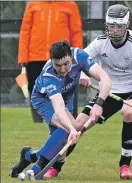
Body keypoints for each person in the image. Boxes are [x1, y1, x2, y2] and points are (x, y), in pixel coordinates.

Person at [44, 4, 132, 180]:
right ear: (107, 25)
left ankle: (125, 164)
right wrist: (82, 75)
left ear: (127, 25)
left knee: (128, 112)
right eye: (111, 26)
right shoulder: (101, 42)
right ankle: (56, 166)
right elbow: (79, 61)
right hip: (110, 90)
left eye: (119, 26)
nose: (114, 31)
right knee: (77, 126)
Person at [10, 40, 112, 179]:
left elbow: (105, 79)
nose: (63, 69)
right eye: (58, 65)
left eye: (66, 64)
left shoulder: (79, 56)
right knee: (67, 129)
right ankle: (38, 168)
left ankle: (29, 155)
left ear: (71, 57)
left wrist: (98, 103)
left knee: (62, 139)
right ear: (52, 61)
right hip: (43, 99)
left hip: (66, 96)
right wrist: (71, 129)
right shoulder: (49, 75)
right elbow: (58, 107)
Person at [18, 1, 83, 122]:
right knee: (35, 89)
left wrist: (75, 56)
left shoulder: (70, 5)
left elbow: (76, 32)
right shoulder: (33, 5)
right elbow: (25, 31)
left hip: (61, 57)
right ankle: (39, 120)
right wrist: (23, 57)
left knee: (67, 88)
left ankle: (70, 119)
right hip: (35, 56)